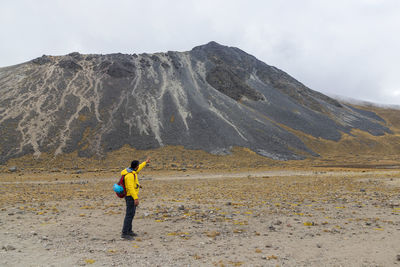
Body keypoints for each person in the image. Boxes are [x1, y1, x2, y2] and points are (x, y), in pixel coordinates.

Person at [121, 158, 150, 240]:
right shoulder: (129, 175)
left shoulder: (132, 171)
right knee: (129, 215)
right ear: (136, 166)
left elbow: (139, 167)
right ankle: (124, 233)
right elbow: (130, 187)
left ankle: (129, 231)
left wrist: (145, 162)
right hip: (130, 197)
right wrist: (135, 198)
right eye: (138, 165)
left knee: (131, 214)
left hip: (131, 196)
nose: (138, 167)